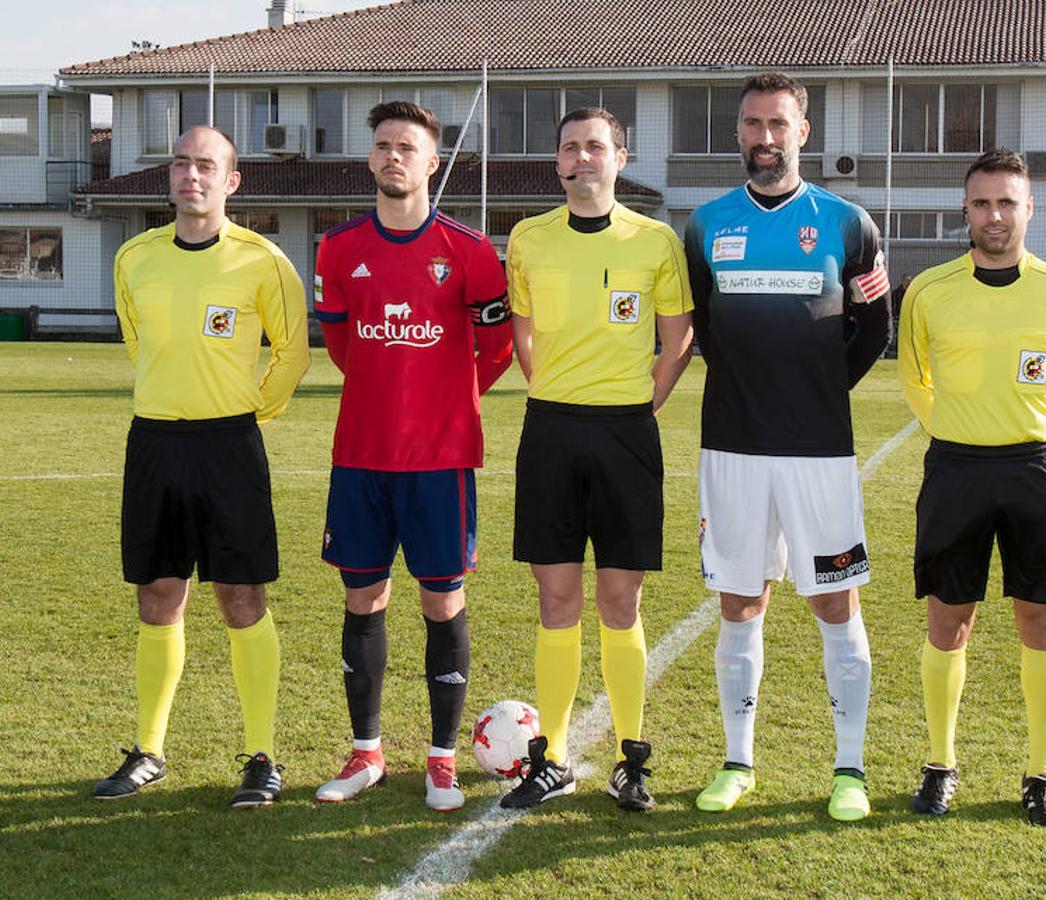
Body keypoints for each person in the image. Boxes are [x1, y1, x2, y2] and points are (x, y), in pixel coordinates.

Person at [684, 72, 891, 821]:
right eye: (752, 124)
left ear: (803, 132)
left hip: (818, 451)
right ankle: (737, 762)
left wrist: (820, 391)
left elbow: (875, 327)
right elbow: (704, 326)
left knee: (835, 600)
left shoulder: (848, 223)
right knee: (740, 601)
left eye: (778, 124)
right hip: (733, 445)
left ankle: (849, 770)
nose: (764, 137)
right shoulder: (705, 225)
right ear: (738, 132)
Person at [96, 125, 309, 807]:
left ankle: (262, 756)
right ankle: (149, 750)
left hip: (229, 447)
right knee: (157, 594)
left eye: (207, 165)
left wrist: (244, 415)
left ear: (231, 181)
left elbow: (293, 355)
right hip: (154, 442)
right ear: (170, 176)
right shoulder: (135, 257)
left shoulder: (263, 260)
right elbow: (139, 342)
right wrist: (176, 398)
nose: (192, 175)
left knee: (242, 597)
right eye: (182, 164)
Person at [311, 102, 512, 811]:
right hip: (361, 453)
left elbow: (497, 349)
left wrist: (443, 398)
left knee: (441, 599)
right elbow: (340, 345)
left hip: (440, 458)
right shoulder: (338, 248)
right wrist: (389, 387)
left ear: (432, 163)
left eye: (407, 147)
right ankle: (366, 752)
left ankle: (442, 759)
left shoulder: (472, 251)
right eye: (383, 145)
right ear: (371, 158)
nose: (393, 155)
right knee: (362, 596)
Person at [898, 149, 1046, 828]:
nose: (995, 215)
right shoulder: (929, 291)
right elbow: (915, 376)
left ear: (1029, 209)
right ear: (965, 209)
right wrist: (955, 431)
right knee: (948, 620)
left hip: (1034, 471)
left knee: (1039, 622)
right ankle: (940, 764)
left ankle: (1041, 775)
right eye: (983, 202)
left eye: (1007, 202)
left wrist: (1038, 438)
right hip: (955, 469)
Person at [499, 107, 694, 812]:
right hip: (550, 431)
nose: (583, 158)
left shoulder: (655, 240)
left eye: (596, 147)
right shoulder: (528, 238)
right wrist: (554, 390)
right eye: (570, 148)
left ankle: (629, 759)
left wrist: (640, 407)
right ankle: (550, 756)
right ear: (558, 161)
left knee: (619, 599)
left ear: (620, 158)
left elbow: (678, 339)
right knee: (556, 599)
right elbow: (522, 332)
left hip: (625, 434)